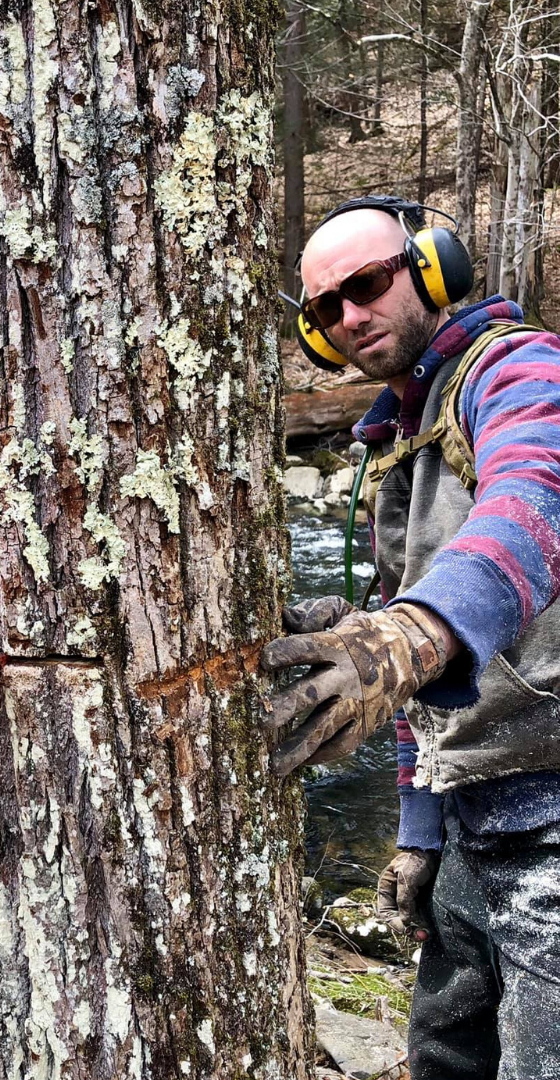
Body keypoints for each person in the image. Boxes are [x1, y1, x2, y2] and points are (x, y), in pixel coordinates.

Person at [264, 194, 560, 1079]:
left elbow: (536, 497)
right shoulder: (397, 439)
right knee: (441, 1055)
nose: (350, 317)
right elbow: (409, 688)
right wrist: (418, 829)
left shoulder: (519, 371)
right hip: (475, 823)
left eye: (367, 284)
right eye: (326, 309)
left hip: (552, 822)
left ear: (433, 268)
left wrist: (413, 636)